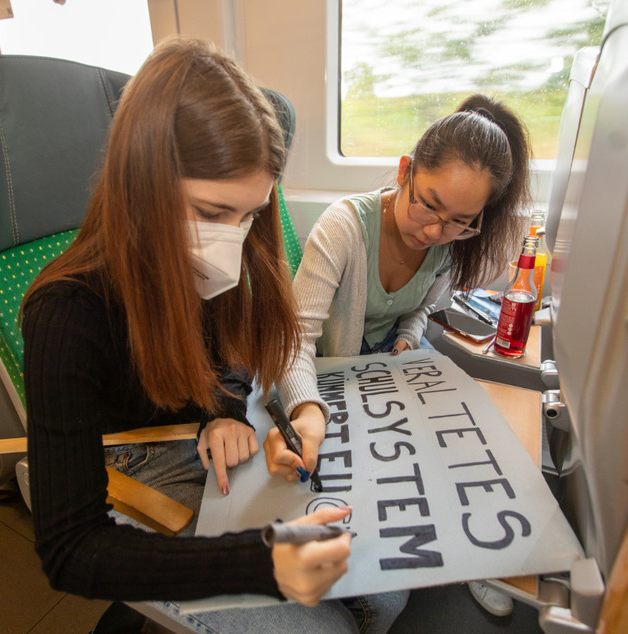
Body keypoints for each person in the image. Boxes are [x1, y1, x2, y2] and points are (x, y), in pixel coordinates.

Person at [20, 39, 407, 633]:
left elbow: (227, 357)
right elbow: (70, 550)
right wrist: (258, 563)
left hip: (199, 440)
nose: (234, 237)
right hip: (129, 461)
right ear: (141, 184)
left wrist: (224, 409)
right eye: (211, 212)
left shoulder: (206, 258)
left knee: (383, 595)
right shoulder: (66, 313)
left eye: (250, 214)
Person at [268, 95, 532, 617]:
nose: (435, 231)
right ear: (405, 171)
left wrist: (408, 345)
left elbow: (418, 311)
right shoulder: (345, 226)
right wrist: (304, 409)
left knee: (461, 435)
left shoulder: (450, 241)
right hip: (329, 370)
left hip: (393, 360)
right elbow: (293, 339)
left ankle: (485, 555)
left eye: (459, 221)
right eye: (427, 204)